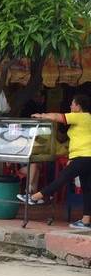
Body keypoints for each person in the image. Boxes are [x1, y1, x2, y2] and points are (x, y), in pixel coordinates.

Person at [19, 94, 91, 230]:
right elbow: (83, 139)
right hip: (85, 157)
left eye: (72, 104)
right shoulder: (88, 118)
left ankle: (34, 197)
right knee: (87, 188)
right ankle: (86, 221)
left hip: (83, 157)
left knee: (62, 179)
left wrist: (42, 115)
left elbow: (58, 117)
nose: (70, 106)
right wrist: (71, 157)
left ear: (79, 106)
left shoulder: (80, 116)